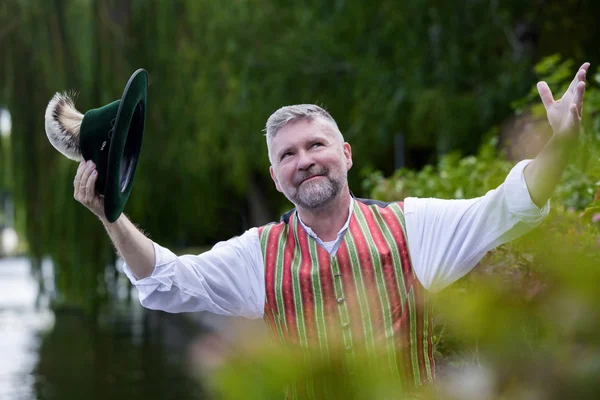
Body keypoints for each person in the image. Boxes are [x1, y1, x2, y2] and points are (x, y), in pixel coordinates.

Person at [73, 63, 589, 392]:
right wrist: (111, 216)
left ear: (344, 154)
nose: (306, 161)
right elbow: (166, 282)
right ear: (276, 177)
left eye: (316, 145)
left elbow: (512, 205)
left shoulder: (414, 227)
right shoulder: (258, 255)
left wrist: (558, 146)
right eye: (288, 156)